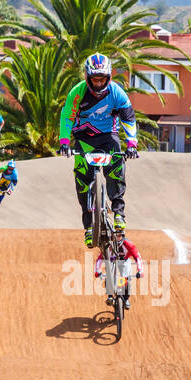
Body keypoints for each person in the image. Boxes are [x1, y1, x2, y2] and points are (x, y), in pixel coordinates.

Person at [59, 53, 138, 248]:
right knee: (81, 181)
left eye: (102, 79)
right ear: (87, 77)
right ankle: (88, 227)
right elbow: (67, 116)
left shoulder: (117, 93)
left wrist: (131, 144)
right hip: (84, 139)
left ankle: (119, 214)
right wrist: (64, 142)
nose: (99, 84)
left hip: (108, 137)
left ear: (109, 77)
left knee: (116, 171)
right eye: (95, 79)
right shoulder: (77, 92)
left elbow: (128, 118)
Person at [94, 237, 143, 310]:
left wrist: (140, 270)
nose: (117, 237)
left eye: (119, 234)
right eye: (116, 234)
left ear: (122, 235)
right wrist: (97, 270)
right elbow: (100, 258)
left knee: (126, 279)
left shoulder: (129, 244)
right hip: (113, 261)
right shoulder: (108, 244)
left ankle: (126, 299)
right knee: (109, 274)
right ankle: (110, 296)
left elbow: (137, 257)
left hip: (125, 261)